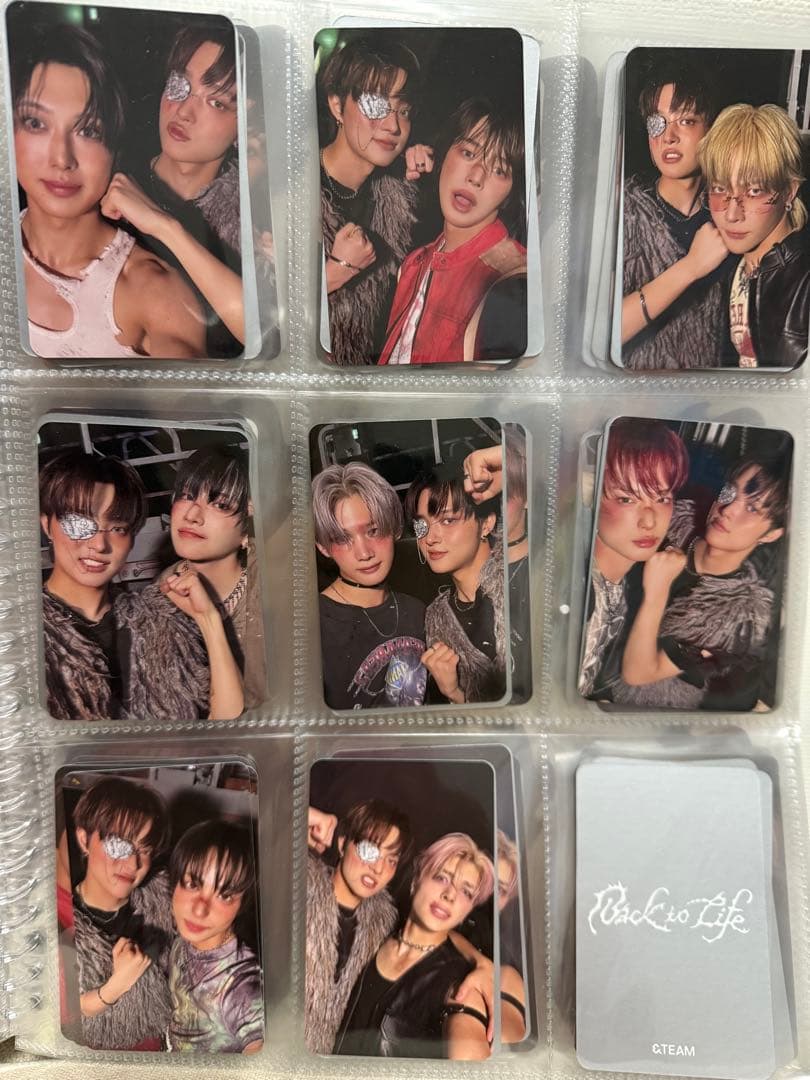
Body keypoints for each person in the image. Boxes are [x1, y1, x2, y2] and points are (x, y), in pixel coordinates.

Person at [10, 23, 205, 360]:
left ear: (115, 148)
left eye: (88, 131)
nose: (61, 159)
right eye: (36, 124)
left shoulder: (153, 291)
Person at [40, 448, 243, 721]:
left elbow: (226, 726)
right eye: (80, 525)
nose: (99, 544)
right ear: (47, 525)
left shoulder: (160, 621)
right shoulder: (21, 635)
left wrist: (208, 620)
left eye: (118, 529)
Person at [101, 23, 245, 356]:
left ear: (245, 126)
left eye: (217, 102)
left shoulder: (252, 218)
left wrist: (164, 228)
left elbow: (266, 334)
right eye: (180, 85)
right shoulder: (107, 181)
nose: (183, 111)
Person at [622, 457, 788, 710]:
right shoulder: (674, 521)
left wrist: (656, 593)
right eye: (730, 491)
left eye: (752, 508)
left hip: (646, 710)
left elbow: (638, 674)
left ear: (772, 534)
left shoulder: (739, 615)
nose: (728, 509)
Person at [378, 97, 526, 365]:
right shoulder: (413, 265)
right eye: (468, 153)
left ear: (510, 194)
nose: (476, 177)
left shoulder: (510, 280)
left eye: (499, 170)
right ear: (442, 155)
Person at [317, 34, 434, 365]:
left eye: (404, 110)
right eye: (375, 105)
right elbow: (252, 315)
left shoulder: (398, 203)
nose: (394, 125)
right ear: (337, 106)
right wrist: (334, 273)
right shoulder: (291, 189)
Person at [334, 832, 494, 1059]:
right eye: (442, 878)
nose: (450, 895)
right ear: (416, 878)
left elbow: (471, 1058)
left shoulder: (460, 984)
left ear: (467, 910)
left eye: (466, 892)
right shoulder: (375, 932)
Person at [621, 60, 731, 369]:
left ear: (711, 129)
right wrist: (691, 267)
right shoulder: (623, 213)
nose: (668, 136)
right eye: (657, 122)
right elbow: (598, 333)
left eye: (685, 121)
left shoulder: (730, 213)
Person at [578, 419, 690, 702]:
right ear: (589, 493)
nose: (649, 521)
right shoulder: (570, 585)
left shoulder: (637, 584)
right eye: (627, 499)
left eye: (662, 498)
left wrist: (656, 593)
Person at [57, 777, 173, 1050]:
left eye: (144, 849)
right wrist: (115, 987)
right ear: (84, 839)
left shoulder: (164, 905)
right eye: (119, 845)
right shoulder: (58, 918)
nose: (133, 863)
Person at [698, 103, 810, 370]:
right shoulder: (731, 270)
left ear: (789, 191)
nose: (732, 214)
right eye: (719, 189)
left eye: (754, 191)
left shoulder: (803, 281)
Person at [312, 462, 427, 709]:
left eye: (373, 531)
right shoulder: (312, 626)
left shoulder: (418, 611)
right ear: (323, 547)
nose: (364, 553)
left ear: (394, 527)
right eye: (343, 539)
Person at [160, 447, 266, 709]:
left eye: (220, 504)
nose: (191, 516)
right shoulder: (160, 597)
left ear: (249, 522)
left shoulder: (276, 587)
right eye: (186, 496)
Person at [405, 467, 506, 704]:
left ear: (486, 523)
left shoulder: (521, 582)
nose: (430, 538)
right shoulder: (436, 619)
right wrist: (454, 693)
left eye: (448, 520)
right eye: (422, 525)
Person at [167, 821, 263, 1053]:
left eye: (225, 895)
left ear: (242, 905)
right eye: (192, 884)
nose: (200, 909)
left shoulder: (241, 985)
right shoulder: (183, 939)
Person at [462, 427, 531, 701]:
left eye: (506, 494)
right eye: (492, 495)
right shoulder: (480, 574)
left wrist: (517, 462)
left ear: (528, 496)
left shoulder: (552, 563)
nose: (497, 505)